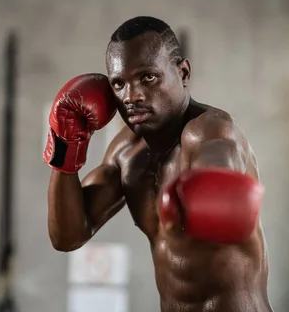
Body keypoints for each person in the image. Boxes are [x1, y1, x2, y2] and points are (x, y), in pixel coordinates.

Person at [43, 16, 272, 312]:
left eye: (147, 77)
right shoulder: (126, 152)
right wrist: (65, 149)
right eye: (119, 83)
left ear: (183, 72)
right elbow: (67, 236)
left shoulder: (210, 130)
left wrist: (210, 186)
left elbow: (219, 155)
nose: (131, 95)